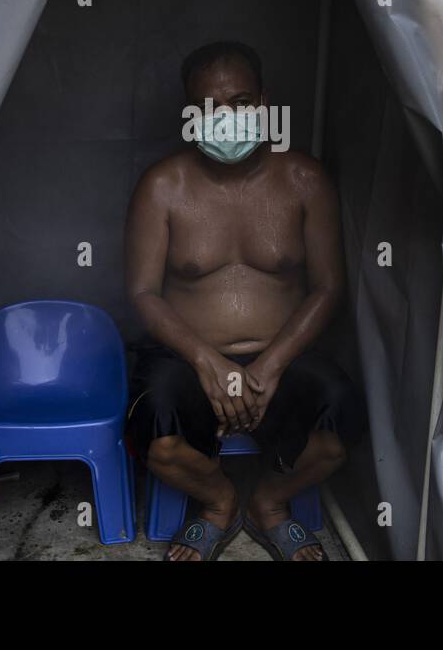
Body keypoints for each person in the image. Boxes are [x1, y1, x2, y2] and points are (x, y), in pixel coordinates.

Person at [124, 41, 366, 560]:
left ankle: (270, 501)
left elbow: (329, 287)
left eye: (239, 102)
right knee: (154, 432)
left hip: (285, 356)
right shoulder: (163, 186)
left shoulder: (304, 179)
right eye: (210, 108)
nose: (227, 118)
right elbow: (142, 293)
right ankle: (218, 500)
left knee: (340, 425)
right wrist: (206, 362)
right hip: (188, 358)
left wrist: (270, 366)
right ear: (191, 115)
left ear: (264, 101)